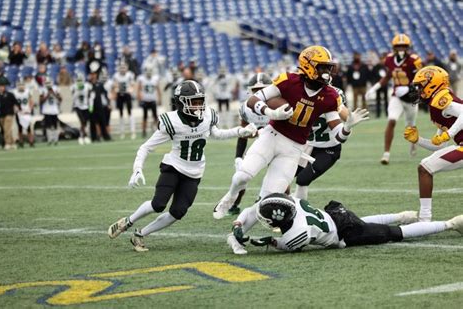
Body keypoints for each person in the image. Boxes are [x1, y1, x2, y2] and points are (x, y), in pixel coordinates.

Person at [213, 45, 369, 219]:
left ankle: (242, 227)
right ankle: (230, 196)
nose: (327, 72)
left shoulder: (330, 95)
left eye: (328, 67)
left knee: (268, 199)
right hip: (273, 135)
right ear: (309, 66)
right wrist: (270, 113)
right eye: (323, 67)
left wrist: (347, 126)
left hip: (295, 148)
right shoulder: (288, 80)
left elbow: (339, 135)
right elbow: (254, 99)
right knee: (241, 177)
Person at [107, 80, 257, 252]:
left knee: (178, 212)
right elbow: (146, 147)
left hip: (194, 172)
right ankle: (128, 221)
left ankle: (140, 234)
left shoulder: (207, 116)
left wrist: (239, 131)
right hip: (173, 167)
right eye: (194, 102)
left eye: (200, 101)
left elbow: (217, 134)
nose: (198, 106)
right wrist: (137, 168)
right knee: (158, 204)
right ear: (181, 102)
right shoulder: (171, 121)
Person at [227, 193, 463, 254]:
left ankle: (450, 224)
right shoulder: (293, 202)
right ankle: (401, 213)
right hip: (335, 213)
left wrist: (268, 241)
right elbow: (261, 209)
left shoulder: (297, 232)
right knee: (364, 221)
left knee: (394, 234)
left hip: (344, 233)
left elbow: (285, 245)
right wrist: (239, 224)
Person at [404, 66, 463, 221]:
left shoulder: (440, 99)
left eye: (420, 86)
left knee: (425, 168)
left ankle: (424, 219)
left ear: (432, 84)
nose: (417, 90)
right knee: (425, 167)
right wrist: (418, 140)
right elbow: (439, 146)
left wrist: (448, 134)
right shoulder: (435, 106)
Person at [293, 86, 360, 200]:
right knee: (284, 175)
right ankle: (282, 201)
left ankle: (299, 209)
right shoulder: (308, 100)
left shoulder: (333, 107)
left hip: (328, 149)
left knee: (303, 179)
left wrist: (348, 125)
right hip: (306, 146)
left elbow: (341, 136)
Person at [365, 33, 422, 165]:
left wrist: (409, 88)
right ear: (394, 47)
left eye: (404, 46)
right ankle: (386, 154)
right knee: (392, 120)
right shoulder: (389, 59)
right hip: (397, 95)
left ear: (408, 47)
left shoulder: (414, 60)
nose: (401, 48)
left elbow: (421, 79)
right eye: (399, 46)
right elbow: (388, 76)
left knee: (410, 125)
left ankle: (413, 143)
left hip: (412, 96)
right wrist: (374, 88)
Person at [229, 73, 273, 215]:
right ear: (250, 91)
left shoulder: (278, 104)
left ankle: (278, 204)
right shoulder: (246, 108)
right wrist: (238, 156)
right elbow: (244, 133)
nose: (259, 93)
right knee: (242, 175)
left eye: (262, 89)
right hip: (258, 146)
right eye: (256, 90)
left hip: (277, 143)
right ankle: (234, 203)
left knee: (278, 177)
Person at [113, 62, 136, 139]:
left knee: (130, 112)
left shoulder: (130, 74)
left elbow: (132, 84)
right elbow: (115, 85)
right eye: (121, 68)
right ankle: (122, 132)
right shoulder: (116, 75)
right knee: (121, 113)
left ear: (126, 68)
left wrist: (131, 90)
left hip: (127, 95)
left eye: (124, 68)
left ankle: (132, 131)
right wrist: (116, 91)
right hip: (120, 95)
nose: (122, 69)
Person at [0, 82, 20, 150]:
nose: (1, 88)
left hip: (9, 113)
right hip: (1, 115)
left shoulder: (10, 94)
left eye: (2, 86)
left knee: (6, 129)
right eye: (0, 87)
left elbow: (16, 102)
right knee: (6, 130)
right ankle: (13, 143)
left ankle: (7, 143)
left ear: (4, 87)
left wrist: (17, 107)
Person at [136, 67, 161, 137]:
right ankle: (144, 131)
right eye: (147, 71)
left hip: (152, 100)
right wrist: (139, 99)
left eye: (150, 71)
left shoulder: (155, 79)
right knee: (144, 117)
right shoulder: (142, 79)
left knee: (155, 117)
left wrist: (159, 99)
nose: (149, 73)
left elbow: (158, 89)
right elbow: (139, 89)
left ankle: (158, 130)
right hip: (145, 100)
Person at [88, 68, 111, 142]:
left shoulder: (99, 84)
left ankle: (105, 136)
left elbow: (105, 95)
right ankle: (95, 136)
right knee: (94, 122)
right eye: (92, 74)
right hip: (91, 106)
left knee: (102, 121)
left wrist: (108, 103)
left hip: (100, 106)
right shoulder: (88, 85)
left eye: (94, 74)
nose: (93, 76)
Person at [39, 78, 62, 145]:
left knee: (55, 125)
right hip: (46, 110)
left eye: (49, 83)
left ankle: (56, 140)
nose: (48, 85)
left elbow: (60, 99)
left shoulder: (56, 88)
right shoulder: (42, 89)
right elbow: (40, 101)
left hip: (54, 110)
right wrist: (47, 95)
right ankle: (49, 139)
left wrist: (54, 94)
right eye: (47, 83)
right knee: (48, 126)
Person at [71, 74, 92, 145]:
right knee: (82, 122)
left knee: (85, 122)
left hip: (85, 106)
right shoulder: (74, 86)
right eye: (78, 80)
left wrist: (90, 106)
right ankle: (81, 137)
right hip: (78, 106)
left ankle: (84, 136)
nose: (80, 82)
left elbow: (89, 96)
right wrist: (77, 91)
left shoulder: (87, 86)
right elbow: (73, 98)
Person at [14, 80, 34, 147]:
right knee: (20, 128)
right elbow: (14, 103)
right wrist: (17, 110)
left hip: (26, 111)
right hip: (19, 112)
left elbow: (31, 101)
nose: (21, 86)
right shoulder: (15, 92)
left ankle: (31, 142)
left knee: (28, 128)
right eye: (19, 85)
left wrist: (30, 109)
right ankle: (21, 142)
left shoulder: (27, 91)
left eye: (22, 85)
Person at [371, 53, 389, 118]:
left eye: (383, 59)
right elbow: (372, 75)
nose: (382, 61)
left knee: (386, 99)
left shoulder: (386, 67)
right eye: (381, 59)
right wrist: (374, 83)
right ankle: (378, 114)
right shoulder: (376, 67)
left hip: (385, 85)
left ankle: (387, 113)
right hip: (378, 85)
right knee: (378, 100)